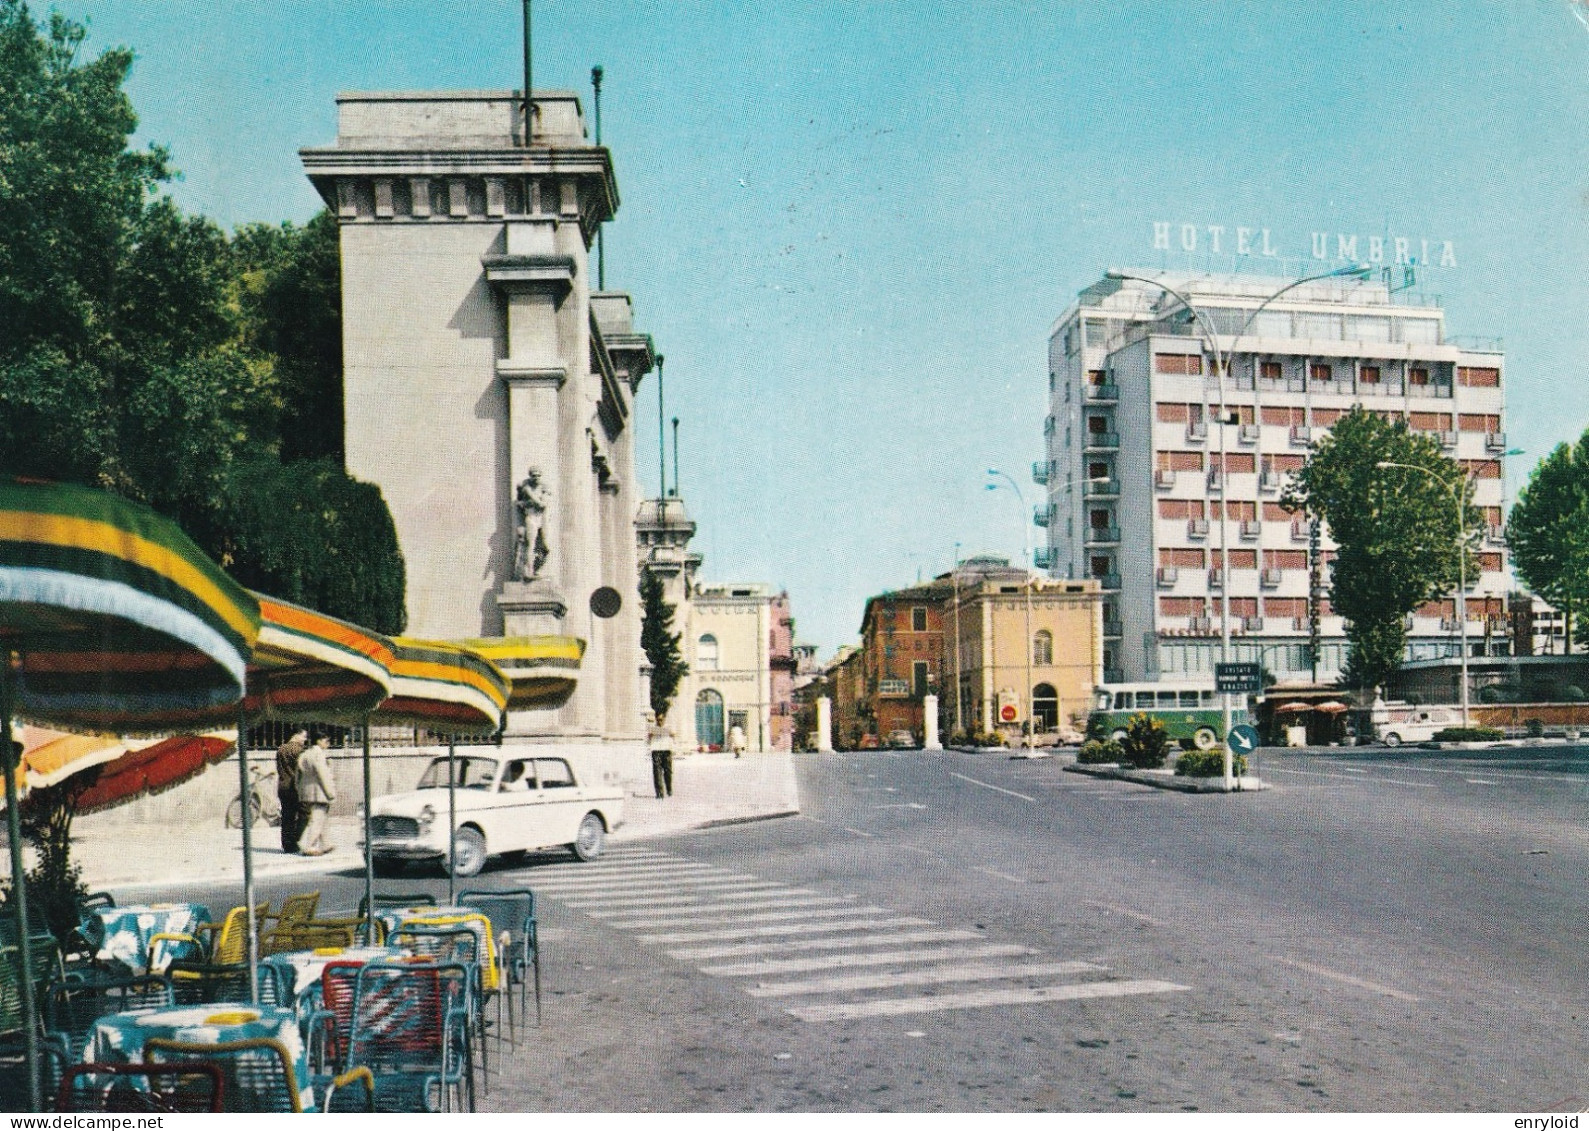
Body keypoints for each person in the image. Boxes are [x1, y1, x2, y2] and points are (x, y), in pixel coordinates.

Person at [297, 733, 337, 856]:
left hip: (307, 791)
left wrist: (300, 789)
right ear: (318, 741)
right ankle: (309, 846)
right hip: (319, 791)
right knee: (317, 819)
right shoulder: (318, 754)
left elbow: (298, 774)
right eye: (326, 740)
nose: (328, 743)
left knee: (321, 818)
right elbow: (323, 775)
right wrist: (330, 793)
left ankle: (326, 844)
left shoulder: (305, 754)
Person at [275, 728, 308, 853]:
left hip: (282, 785)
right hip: (295, 786)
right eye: (303, 736)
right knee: (305, 813)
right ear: (296, 735)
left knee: (287, 816)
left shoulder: (280, 749)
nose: (305, 739)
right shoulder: (298, 750)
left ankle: (287, 844)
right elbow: (302, 769)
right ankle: (295, 839)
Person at [647, 711, 674, 799]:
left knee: (668, 772)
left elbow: (673, 735)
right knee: (657, 772)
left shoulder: (669, 727)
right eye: (658, 720)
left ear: (664, 719)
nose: (660, 722)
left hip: (666, 751)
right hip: (656, 751)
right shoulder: (652, 728)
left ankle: (669, 789)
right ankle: (659, 792)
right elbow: (648, 738)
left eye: (661, 720)